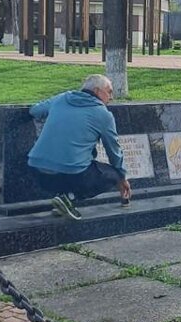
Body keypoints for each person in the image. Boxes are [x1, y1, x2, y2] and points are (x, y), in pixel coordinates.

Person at [27, 74, 132, 220]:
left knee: (78, 161)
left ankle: (62, 198)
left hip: (37, 171)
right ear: (97, 91)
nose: (111, 97)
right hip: (72, 175)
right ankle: (70, 197)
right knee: (113, 174)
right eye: (109, 92)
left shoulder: (62, 98)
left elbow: (34, 110)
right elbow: (113, 151)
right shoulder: (103, 114)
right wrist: (122, 177)